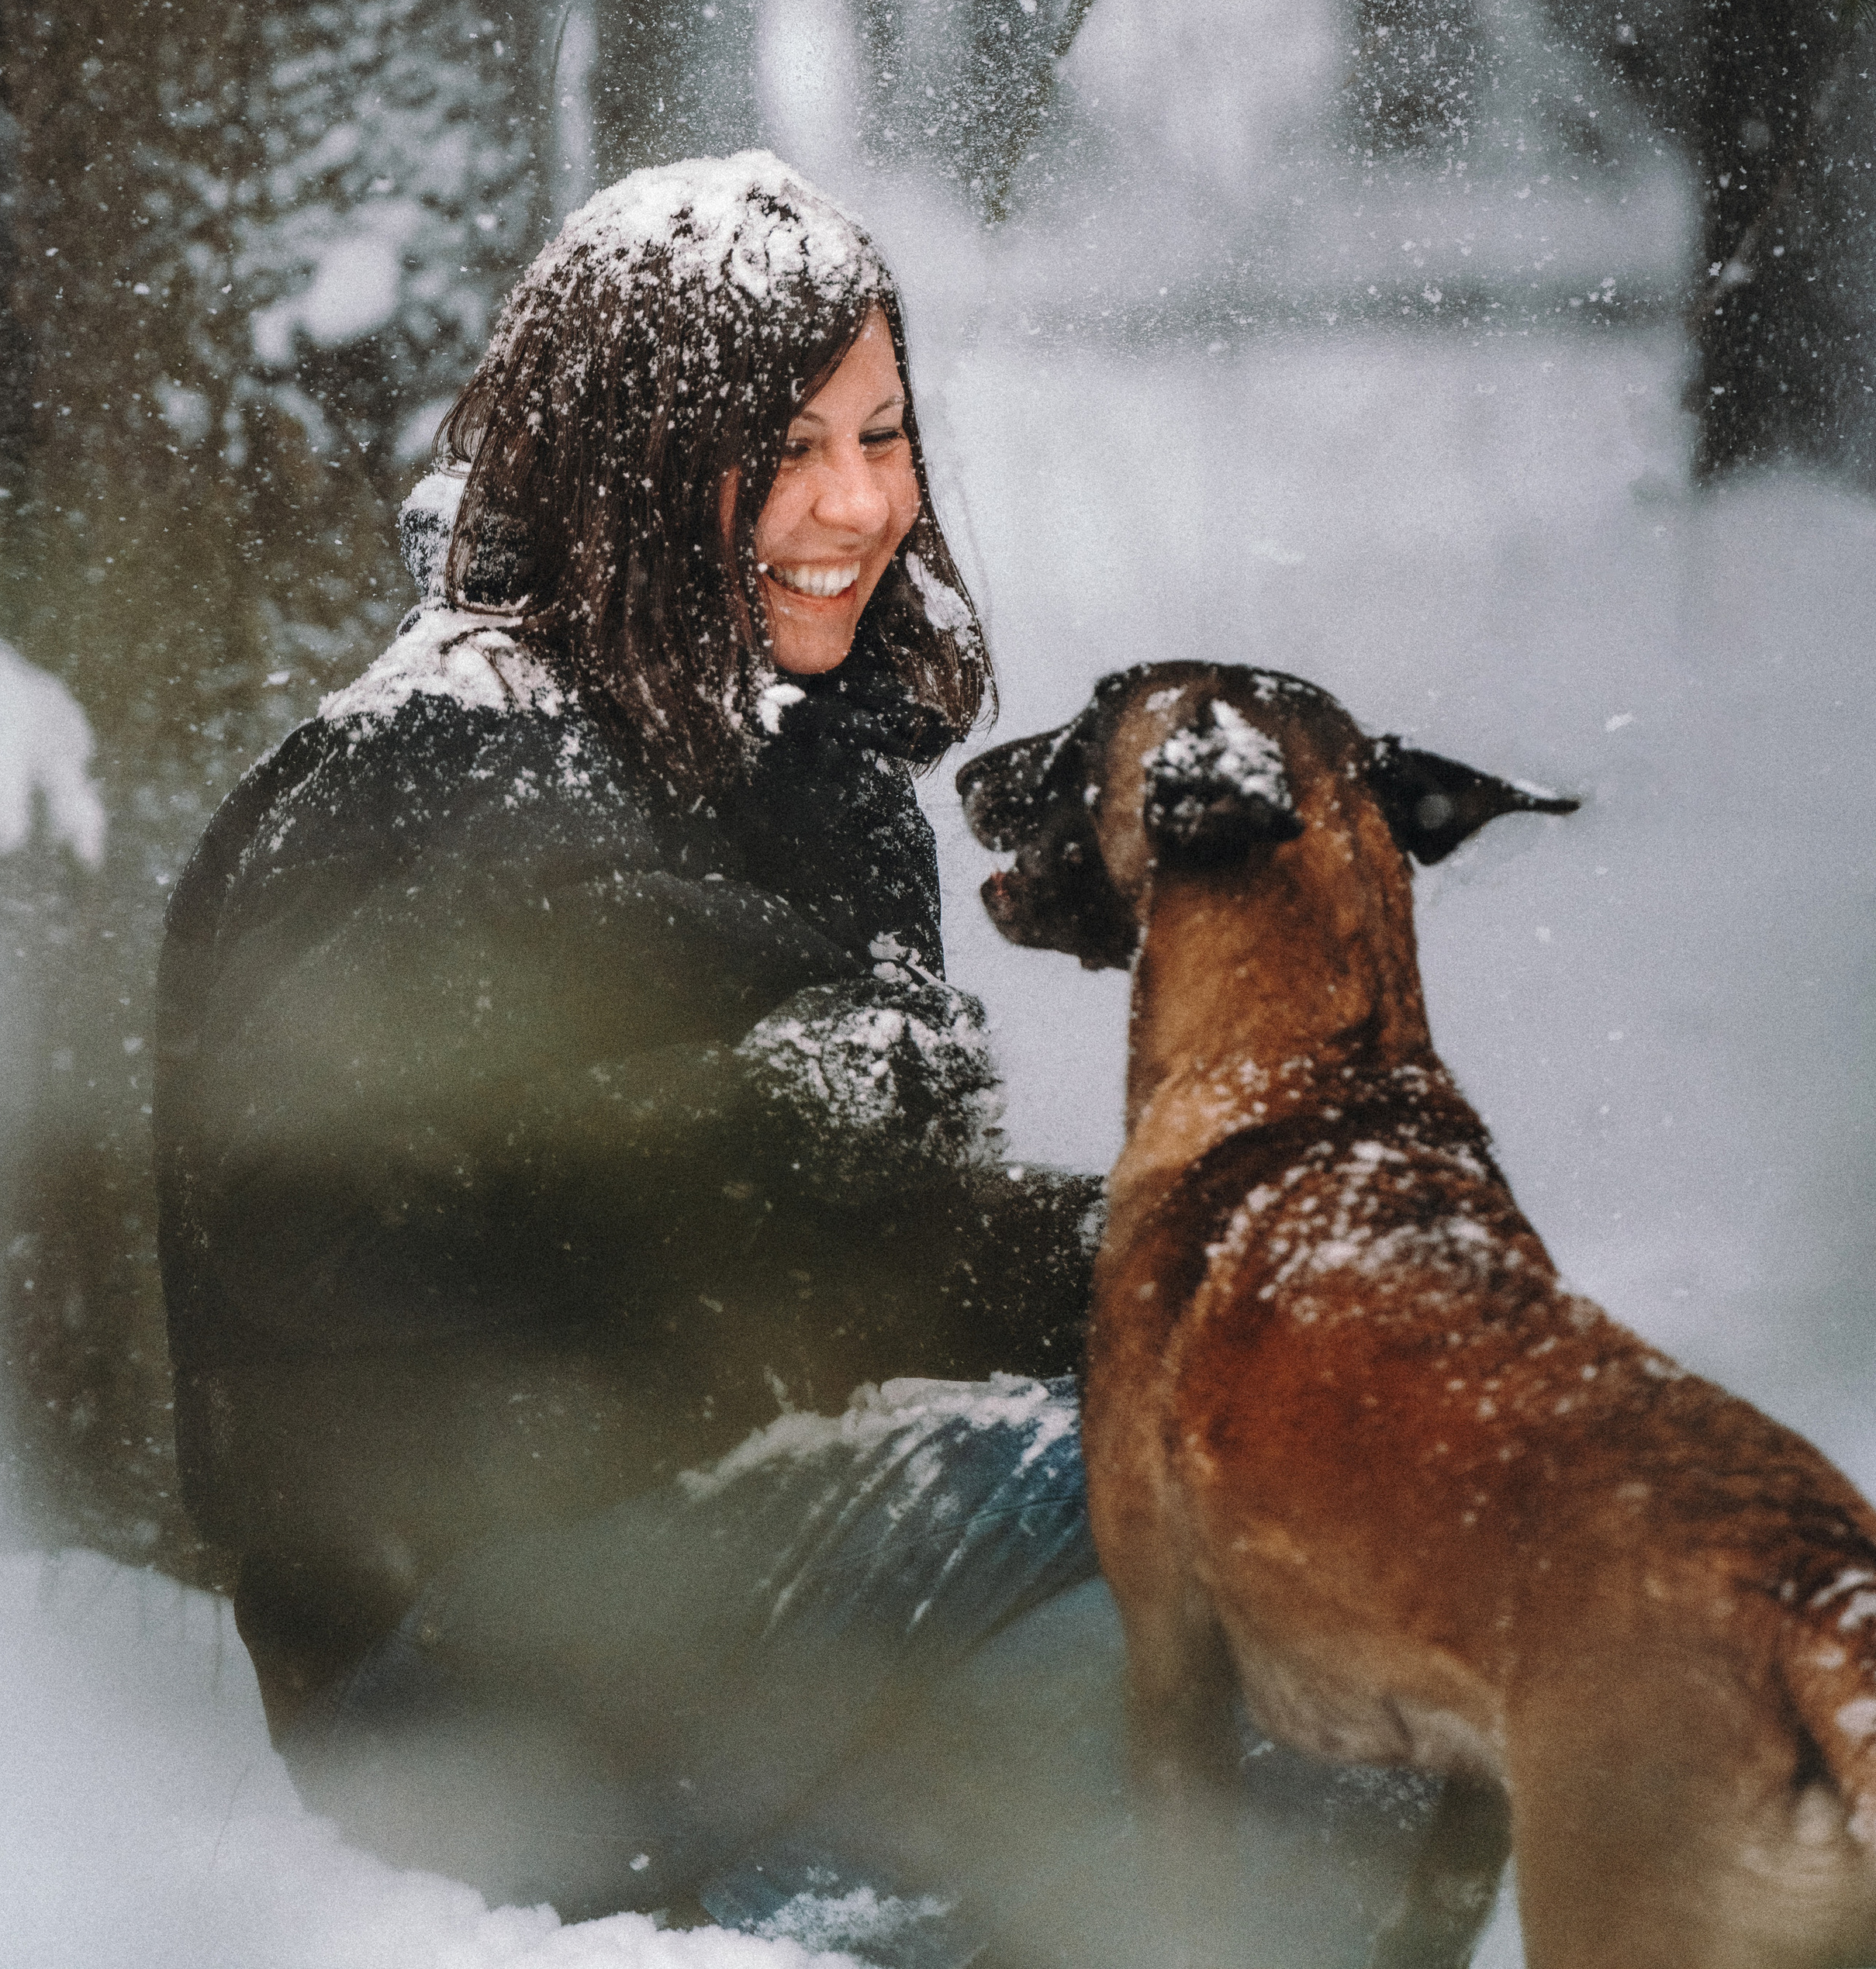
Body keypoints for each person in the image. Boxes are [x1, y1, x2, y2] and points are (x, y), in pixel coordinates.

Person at [154, 154, 1474, 1965]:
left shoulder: (812, 767)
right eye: (778, 448)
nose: (852, 501)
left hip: (772, 1562)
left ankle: (819, 1919)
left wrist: (1203, 1254)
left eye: (881, 432)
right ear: (629, 463)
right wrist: (769, 1132)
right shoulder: (441, 766)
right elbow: (316, 1256)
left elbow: (878, 1264)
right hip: (455, 1662)